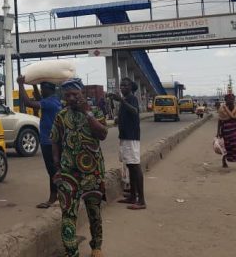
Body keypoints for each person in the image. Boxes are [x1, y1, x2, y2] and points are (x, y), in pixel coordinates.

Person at [52, 78, 108, 257]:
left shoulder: (96, 111)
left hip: (93, 172)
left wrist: (87, 113)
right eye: (67, 95)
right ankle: (71, 252)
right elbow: (55, 141)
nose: (71, 98)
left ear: (82, 93)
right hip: (69, 173)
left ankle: (96, 246)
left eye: (74, 94)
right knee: (68, 214)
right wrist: (57, 168)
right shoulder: (61, 116)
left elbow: (103, 134)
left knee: (94, 212)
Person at [17, 75, 62, 209]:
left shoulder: (49, 103)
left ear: (48, 89)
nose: (41, 92)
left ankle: (53, 198)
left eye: (42, 89)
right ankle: (58, 196)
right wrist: (35, 85)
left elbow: (29, 103)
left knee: (52, 171)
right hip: (53, 140)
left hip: (48, 142)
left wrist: (20, 84)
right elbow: (39, 99)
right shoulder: (54, 100)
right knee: (56, 169)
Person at [109, 78, 146, 210]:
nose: (122, 88)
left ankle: (141, 201)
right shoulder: (125, 100)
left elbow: (135, 112)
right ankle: (132, 195)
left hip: (131, 137)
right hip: (125, 137)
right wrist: (118, 119)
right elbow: (127, 115)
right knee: (130, 166)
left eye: (125, 85)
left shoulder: (132, 99)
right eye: (121, 86)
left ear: (131, 87)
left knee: (135, 167)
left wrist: (121, 101)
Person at [217, 94, 236, 170]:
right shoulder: (222, 109)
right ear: (226, 100)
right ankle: (224, 161)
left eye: (232, 99)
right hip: (226, 130)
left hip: (235, 129)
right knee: (226, 147)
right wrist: (218, 132)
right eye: (229, 99)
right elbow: (220, 121)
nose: (231, 101)